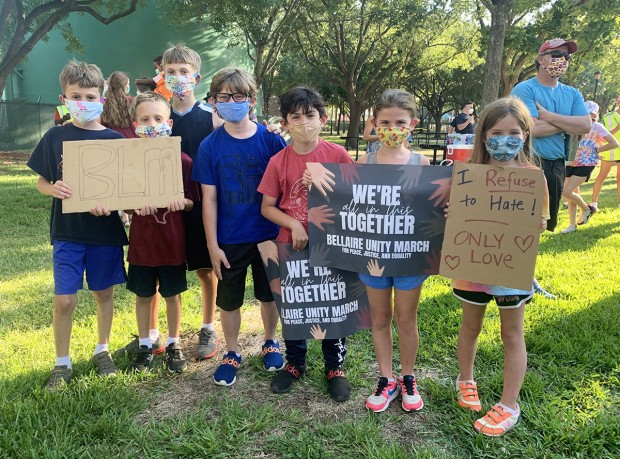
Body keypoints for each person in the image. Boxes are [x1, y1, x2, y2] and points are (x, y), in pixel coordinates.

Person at [447, 96, 549, 436]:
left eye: (514, 132)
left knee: (512, 334)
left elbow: (543, 222)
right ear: (483, 135)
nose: (504, 139)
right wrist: (453, 215)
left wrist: (536, 222)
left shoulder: (534, 177)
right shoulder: (468, 177)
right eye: (496, 131)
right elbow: (455, 219)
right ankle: (465, 379)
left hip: (510, 270)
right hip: (472, 267)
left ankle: (509, 404)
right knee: (470, 326)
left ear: (525, 135)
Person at [27, 60, 128, 390]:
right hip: (68, 233)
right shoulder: (55, 135)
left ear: (101, 98)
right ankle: (62, 362)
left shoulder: (115, 140)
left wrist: (113, 206)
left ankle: (102, 350)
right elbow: (42, 181)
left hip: (104, 233)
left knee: (103, 293)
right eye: (76, 95)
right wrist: (52, 188)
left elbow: (123, 193)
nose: (83, 102)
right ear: (64, 98)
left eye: (89, 95)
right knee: (65, 300)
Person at [192, 67, 287, 386]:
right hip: (228, 239)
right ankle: (231, 351)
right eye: (223, 96)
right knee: (228, 300)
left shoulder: (272, 141)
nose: (231, 101)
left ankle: (271, 341)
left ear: (252, 100)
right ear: (214, 101)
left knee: (269, 294)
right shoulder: (209, 146)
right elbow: (209, 200)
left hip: (268, 237)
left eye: (238, 96)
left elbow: (288, 189)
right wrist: (212, 245)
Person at [258, 86, 353, 402]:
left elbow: (354, 200)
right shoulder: (278, 162)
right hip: (291, 246)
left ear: (323, 119)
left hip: (331, 245)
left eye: (310, 115)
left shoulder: (338, 156)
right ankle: (295, 362)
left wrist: (329, 186)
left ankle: (334, 366)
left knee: (331, 304)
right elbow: (267, 206)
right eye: (295, 117)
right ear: (285, 123)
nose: (303, 122)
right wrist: (294, 223)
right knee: (294, 308)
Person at [353, 89, 431, 413]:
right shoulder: (364, 162)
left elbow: (430, 210)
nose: (392, 128)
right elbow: (350, 208)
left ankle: (408, 376)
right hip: (372, 257)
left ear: (412, 124)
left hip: (409, 258)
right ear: (374, 124)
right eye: (385, 122)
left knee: (406, 319)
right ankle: (386, 379)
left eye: (400, 121)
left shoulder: (421, 162)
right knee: (380, 319)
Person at [125, 92, 199, 373]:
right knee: (143, 296)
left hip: (172, 243)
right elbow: (125, 203)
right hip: (142, 245)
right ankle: (145, 344)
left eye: (158, 118)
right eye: (145, 119)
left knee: (172, 295)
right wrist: (133, 207)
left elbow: (193, 200)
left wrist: (183, 202)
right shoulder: (130, 161)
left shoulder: (183, 161)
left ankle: (173, 343)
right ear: (136, 125)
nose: (152, 123)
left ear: (169, 122)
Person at [511, 38, 590, 298]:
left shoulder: (572, 94)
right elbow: (530, 128)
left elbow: (586, 126)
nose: (562, 60)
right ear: (541, 58)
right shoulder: (525, 89)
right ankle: (520, 277)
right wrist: (569, 123)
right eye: (556, 54)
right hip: (526, 163)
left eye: (566, 56)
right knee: (520, 223)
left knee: (541, 224)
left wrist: (549, 117)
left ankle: (525, 275)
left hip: (555, 164)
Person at [561, 101, 619, 233]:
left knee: (566, 192)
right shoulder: (574, 125)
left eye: (591, 114)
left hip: (587, 163)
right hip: (570, 162)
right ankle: (572, 225)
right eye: (586, 113)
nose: (588, 116)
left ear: (596, 115)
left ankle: (587, 209)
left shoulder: (597, 127)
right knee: (572, 194)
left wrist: (597, 150)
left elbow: (614, 143)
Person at [591, 94, 620, 210]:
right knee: (602, 175)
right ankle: (594, 203)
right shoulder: (608, 116)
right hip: (611, 151)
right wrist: (618, 128)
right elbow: (604, 136)